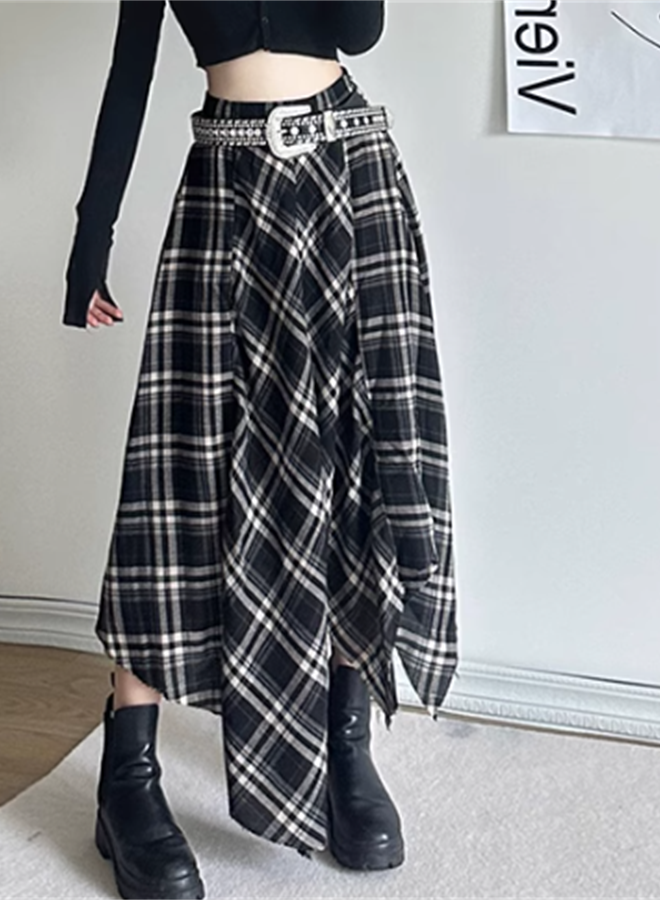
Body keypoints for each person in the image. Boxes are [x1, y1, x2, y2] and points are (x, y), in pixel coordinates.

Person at [63, 2, 459, 899]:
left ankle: (344, 745)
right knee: (179, 467)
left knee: (354, 459)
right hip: (226, 190)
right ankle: (128, 780)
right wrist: (92, 240)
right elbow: (130, 76)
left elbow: (358, 31)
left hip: (350, 175)